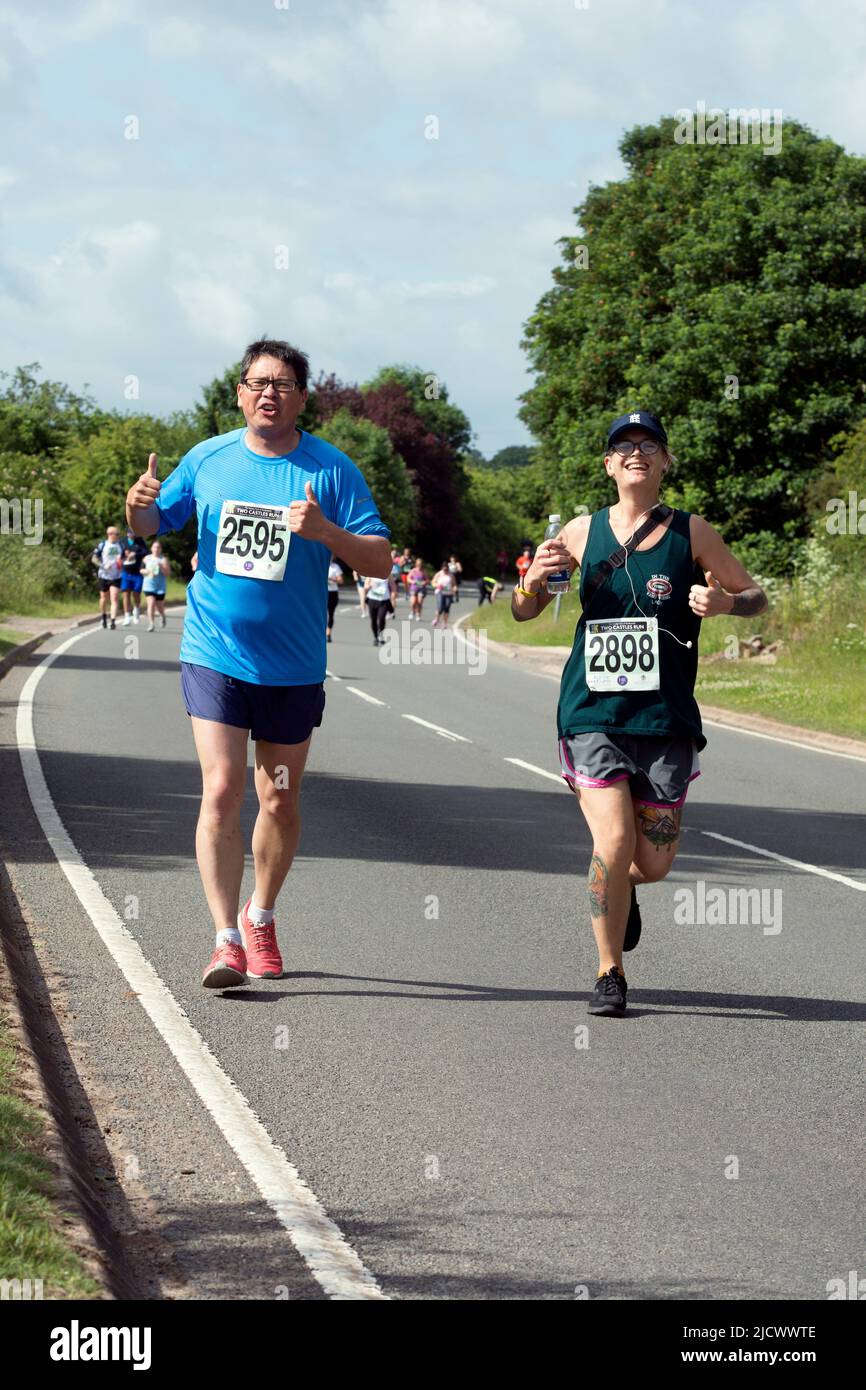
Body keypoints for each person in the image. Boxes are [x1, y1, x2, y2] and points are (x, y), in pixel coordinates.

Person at [126, 338, 391, 990]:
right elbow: (148, 526)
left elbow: (381, 561)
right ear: (241, 394)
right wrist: (137, 504)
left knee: (279, 798)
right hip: (214, 651)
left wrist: (327, 533)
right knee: (221, 789)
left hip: (294, 666)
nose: (268, 392)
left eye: (282, 383)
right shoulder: (208, 459)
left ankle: (261, 915)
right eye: (256, 382)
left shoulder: (330, 471)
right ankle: (224, 941)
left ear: (302, 398)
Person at [511, 409, 767, 1018]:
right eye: (623, 446)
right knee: (614, 836)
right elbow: (524, 610)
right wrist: (533, 581)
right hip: (590, 711)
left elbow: (756, 596)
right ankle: (609, 972)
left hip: (665, 717)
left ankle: (623, 892)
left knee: (648, 863)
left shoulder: (692, 533)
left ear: (665, 462)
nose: (635, 453)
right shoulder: (578, 532)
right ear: (608, 465)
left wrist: (726, 603)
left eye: (648, 445)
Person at [91, 525, 123, 629]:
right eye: (116, 534)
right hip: (104, 575)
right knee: (104, 598)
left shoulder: (121, 545)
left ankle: (113, 621)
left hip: (116, 576)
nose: (118, 536)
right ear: (110, 534)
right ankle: (104, 617)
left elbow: (126, 558)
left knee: (114, 598)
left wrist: (121, 563)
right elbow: (94, 559)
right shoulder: (103, 545)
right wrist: (103, 566)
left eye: (118, 534)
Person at [120, 528, 147, 625]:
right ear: (127, 533)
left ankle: (136, 610)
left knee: (136, 593)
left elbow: (145, 552)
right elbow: (118, 554)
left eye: (134, 533)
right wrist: (124, 554)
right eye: (130, 533)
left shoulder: (140, 541)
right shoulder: (122, 542)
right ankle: (127, 615)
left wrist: (135, 554)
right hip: (126, 572)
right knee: (125, 594)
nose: (133, 534)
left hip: (137, 572)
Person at [141, 541, 170, 630]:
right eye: (154, 547)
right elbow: (141, 570)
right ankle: (151, 624)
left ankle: (162, 616)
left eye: (158, 547)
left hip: (160, 586)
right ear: (151, 548)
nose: (156, 549)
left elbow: (167, 573)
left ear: (160, 549)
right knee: (151, 604)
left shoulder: (163, 559)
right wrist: (147, 571)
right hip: (148, 584)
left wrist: (161, 567)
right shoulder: (146, 558)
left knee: (159, 606)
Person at [364, 570, 397, 644]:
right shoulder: (370, 574)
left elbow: (393, 585)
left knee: (381, 618)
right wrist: (369, 586)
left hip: (384, 600)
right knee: (373, 620)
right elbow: (365, 587)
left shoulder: (387, 573)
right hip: (372, 600)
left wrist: (393, 594)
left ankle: (381, 634)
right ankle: (375, 637)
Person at [431, 560, 455, 628]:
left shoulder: (451, 575)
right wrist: (437, 585)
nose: (445, 571)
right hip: (440, 592)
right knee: (440, 607)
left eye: (446, 569)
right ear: (442, 568)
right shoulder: (439, 574)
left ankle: (445, 623)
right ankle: (436, 619)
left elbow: (454, 584)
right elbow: (433, 582)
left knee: (447, 608)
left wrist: (455, 589)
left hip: (449, 593)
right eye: (444, 569)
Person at [326, 555, 343, 642]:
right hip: (323, 592)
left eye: (332, 556)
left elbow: (341, 581)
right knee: (322, 614)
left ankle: (328, 633)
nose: (330, 557)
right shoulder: (321, 563)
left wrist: (333, 579)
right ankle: (322, 632)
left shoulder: (335, 567)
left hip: (333, 592)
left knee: (331, 614)